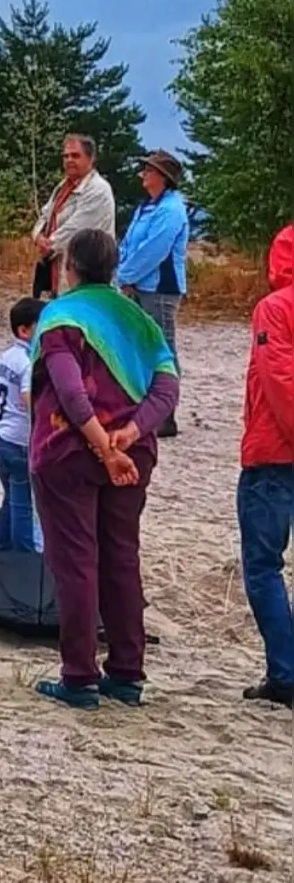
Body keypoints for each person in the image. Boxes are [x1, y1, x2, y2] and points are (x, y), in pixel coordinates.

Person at [27, 229, 180, 710]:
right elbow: (166, 389)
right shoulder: (139, 321)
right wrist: (130, 436)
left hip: (68, 453)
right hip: (132, 456)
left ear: (69, 266)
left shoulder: (60, 317)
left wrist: (101, 444)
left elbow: (71, 392)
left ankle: (79, 675)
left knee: (76, 561)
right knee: (121, 557)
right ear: (114, 267)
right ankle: (128, 671)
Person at [235, 222, 294, 708]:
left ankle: (285, 673)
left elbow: (279, 380)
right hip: (275, 452)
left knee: (262, 567)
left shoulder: (275, 309)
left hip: (275, 454)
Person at [116, 150, 190, 439]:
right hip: (140, 287)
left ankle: (165, 414)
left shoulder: (171, 210)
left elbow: (154, 250)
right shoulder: (147, 206)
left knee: (162, 350)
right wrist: (122, 269)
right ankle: (145, 407)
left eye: (148, 170)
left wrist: (125, 275)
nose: (142, 174)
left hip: (160, 290)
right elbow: (130, 242)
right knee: (139, 348)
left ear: (162, 177)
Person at [0, 298, 44, 553]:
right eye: (41, 326)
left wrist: (3, 407)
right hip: (19, 444)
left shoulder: (9, 355)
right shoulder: (29, 362)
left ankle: (0, 551)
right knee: (23, 506)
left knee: (10, 499)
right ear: (24, 330)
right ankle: (24, 560)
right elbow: (30, 397)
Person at [31, 134, 116, 300]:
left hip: (87, 274)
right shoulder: (64, 186)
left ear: (90, 159)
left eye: (75, 155)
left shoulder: (98, 189)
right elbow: (45, 214)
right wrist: (37, 235)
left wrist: (48, 244)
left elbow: (75, 229)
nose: (69, 160)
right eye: (66, 156)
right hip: (58, 267)